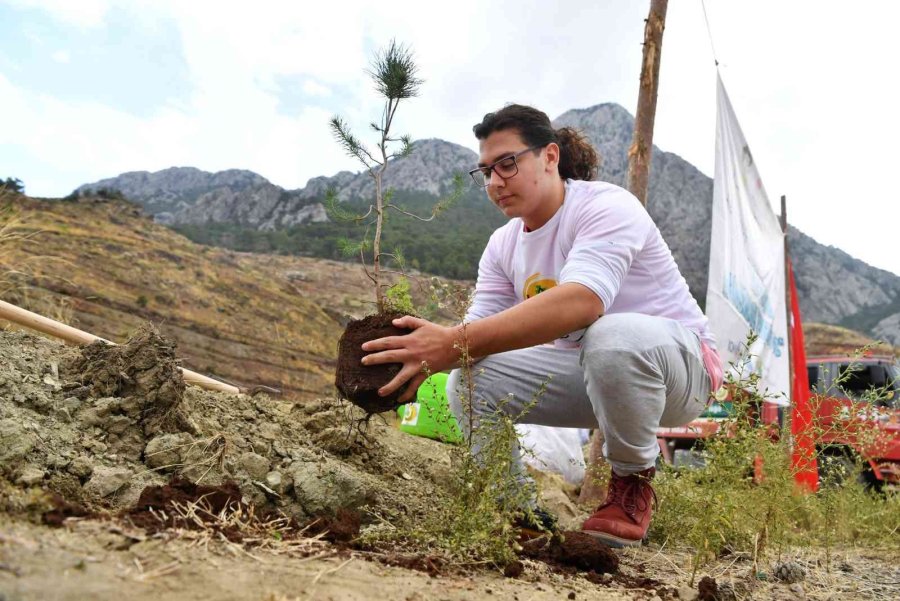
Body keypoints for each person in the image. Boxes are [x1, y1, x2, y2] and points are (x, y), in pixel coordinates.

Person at [360, 104, 724, 548]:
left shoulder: (605, 206)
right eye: (486, 171)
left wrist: (452, 341)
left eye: (507, 164)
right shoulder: (502, 245)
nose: (495, 182)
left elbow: (582, 303)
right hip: (592, 377)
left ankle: (632, 483)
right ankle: (514, 511)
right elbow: (479, 335)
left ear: (550, 156)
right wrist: (422, 360)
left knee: (609, 337)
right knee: (468, 378)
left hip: (678, 372)